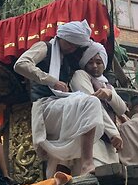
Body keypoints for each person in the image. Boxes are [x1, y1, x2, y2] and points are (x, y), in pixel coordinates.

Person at [13, 20, 106, 177]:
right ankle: (87, 162)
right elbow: (21, 64)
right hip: (44, 107)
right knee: (90, 102)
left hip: (59, 105)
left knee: (86, 110)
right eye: (70, 43)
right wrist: (51, 81)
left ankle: (63, 174)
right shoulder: (45, 47)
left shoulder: (67, 61)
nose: (72, 48)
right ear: (62, 37)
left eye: (75, 45)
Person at [67, 41, 127, 168]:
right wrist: (113, 133)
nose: (94, 66)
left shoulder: (108, 85)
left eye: (99, 62)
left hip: (109, 144)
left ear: (104, 65)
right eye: (90, 62)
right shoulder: (80, 75)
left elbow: (122, 109)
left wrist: (110, 94)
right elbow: (92, 106)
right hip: (92, 139)